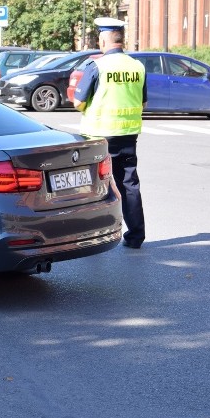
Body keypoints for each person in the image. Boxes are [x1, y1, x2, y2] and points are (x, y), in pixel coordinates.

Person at [72, 17, 147, 249]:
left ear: (103, 40)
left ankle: (92, 237)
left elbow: (77, 102)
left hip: (98, 136)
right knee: (129, 184)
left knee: (94, 188)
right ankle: (135, 236)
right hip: (128, 135)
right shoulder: (137, 66)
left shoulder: (97, 66)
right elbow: (143, 103)